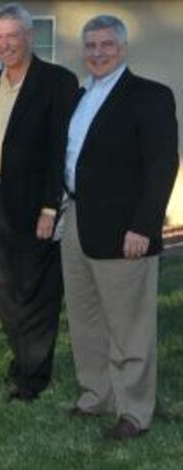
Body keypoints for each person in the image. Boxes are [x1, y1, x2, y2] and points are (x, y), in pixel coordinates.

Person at [62, 15, 179, 440]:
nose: (98, 53)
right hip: (76, 220)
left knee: (129, 324)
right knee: (85, 318)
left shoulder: (150, 96)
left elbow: (162, 165)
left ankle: (134, 410)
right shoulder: (80, 97)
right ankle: (97, 395)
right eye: (91, 45)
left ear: (123, 48)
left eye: (107, 44)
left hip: (125, 228)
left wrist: (143, 227)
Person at [0, 3, 78, 400]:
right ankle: (22, 360)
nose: (5, 44)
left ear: (29, 36)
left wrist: (51, 206)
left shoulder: (57, 81)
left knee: (36, 290)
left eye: (12, 36)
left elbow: (59, 148)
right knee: (4, 288)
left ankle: (33, 376)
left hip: (35, 205)